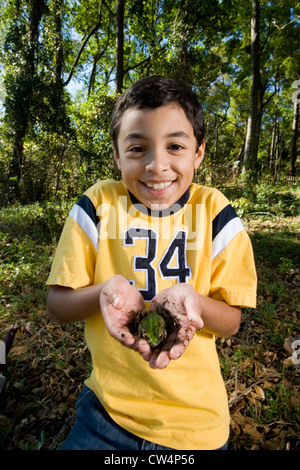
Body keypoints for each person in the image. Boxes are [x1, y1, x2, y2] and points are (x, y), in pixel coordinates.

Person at [46, 76, 257, 450]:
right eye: (138, 148)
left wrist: (197, 303)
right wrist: (103, 293)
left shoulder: (214, 212)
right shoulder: (98, 205)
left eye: (175, 146)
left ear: (199, 153)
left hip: (196, 427)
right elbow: (58, 305)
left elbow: (231, 321)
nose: (157, 166)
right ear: (116, 154)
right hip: (106, 414)